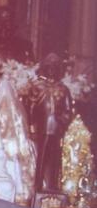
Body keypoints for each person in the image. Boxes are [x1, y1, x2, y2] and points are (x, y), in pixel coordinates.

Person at [28, 53, 73, 193]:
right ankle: (38, 185)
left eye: (54, 67)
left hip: (57, 127)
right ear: (44, 69)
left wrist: (62, 121)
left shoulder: (63, 89)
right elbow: (31, 108)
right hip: (42, 127)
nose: (51, 70)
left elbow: (68, 110)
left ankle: (53, 185)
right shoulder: (38, 86)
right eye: (49, 67)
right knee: (41, 156)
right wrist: (31, 126)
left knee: (55, 157)